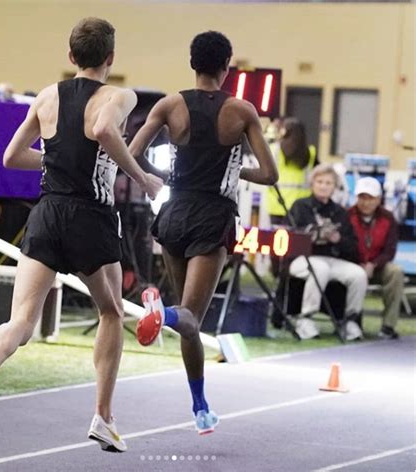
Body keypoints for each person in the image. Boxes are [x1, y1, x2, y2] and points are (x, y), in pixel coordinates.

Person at [0, 17, 163, 453]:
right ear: (110, 59)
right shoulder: (119, 95)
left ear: (70, 57)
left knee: (20, 323)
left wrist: (52, 159)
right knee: (109, 313)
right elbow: (104, 129)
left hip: (46, 214)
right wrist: (142, 176)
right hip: (91, 215)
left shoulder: (47, 95)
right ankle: (103, 418)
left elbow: (11, 156)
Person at [128, 31, 278, 434]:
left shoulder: (169, 104)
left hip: (174, 212)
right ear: (226, 66)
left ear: (192, 63)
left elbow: (133, 151)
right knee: (190, 317)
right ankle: (163, 314)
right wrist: (233, 170)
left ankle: (200, 407)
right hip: (213, 217)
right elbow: (270, 173)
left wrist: (161, 176)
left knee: (188, 324)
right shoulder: (241, 110)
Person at [288, 164, 368, 340]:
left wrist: (337, 239)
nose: (324, 186)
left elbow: (352, 246)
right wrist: (314, 234)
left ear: (335, 187)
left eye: (329, 183)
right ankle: (305, 319)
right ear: (312, 183)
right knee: (320, 269)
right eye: (320, 181)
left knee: (358, 274)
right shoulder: (300, 206)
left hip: (332, 258)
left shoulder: (340, 212)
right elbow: (291, 236)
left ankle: (350, 321)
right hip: (304, 258)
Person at [348, 176, 403, 339]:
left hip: (378, 266)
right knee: (352, 274)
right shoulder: (347, 215)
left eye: (370, 198)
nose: (366, 203)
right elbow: (345, 245)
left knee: (396, 272)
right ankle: (353, 320)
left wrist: (374, 264)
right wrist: (359, 265)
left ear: (378, 199)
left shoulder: (388, 218)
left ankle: (388, 326)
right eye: (362, 198)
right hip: (353, 264)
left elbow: (390, 250)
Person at [266, 117, 318, 226]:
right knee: (297, 240)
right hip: (302, 206)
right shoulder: (311, 152)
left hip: (277, 204)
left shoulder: (274, 149)